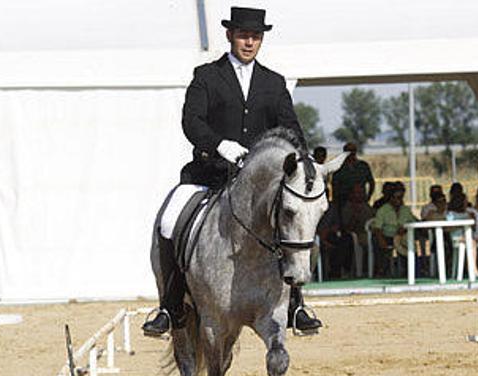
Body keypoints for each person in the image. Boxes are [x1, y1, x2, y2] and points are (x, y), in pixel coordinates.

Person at [143, 7, 322, 336]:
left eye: (255, 36)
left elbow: (291, 129)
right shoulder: (207, 76)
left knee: (295, 221)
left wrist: (301, 159)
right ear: (230, 35)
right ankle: (169, 305)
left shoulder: (273, 82)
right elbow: (191, 121)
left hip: (257, 188)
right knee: (169, 218)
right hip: (209, 175)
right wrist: (218, 145)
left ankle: (296, 303)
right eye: (243, 35)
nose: (249, 42)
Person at [371, 183, 417, 277]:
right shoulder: (383, 210)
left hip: (403, 237)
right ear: (391, 198)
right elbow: (377, 228)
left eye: (401, 197)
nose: (399, 200)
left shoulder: (406, 210)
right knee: (378, 242)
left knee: (409, 243)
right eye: (397, 197)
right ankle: (381, 272)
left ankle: (410, 271)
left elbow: (414, 222)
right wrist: (381, 241)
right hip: (388, 236)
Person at [330, 142, 375, 210]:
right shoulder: (338, 168)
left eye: (352, 150)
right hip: (343, 203)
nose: (350, 153)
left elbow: (372, 183)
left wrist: (368, 197)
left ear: (355, 151)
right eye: (348, 151)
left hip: (361, 203)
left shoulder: (363, 166)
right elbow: (334, 188)